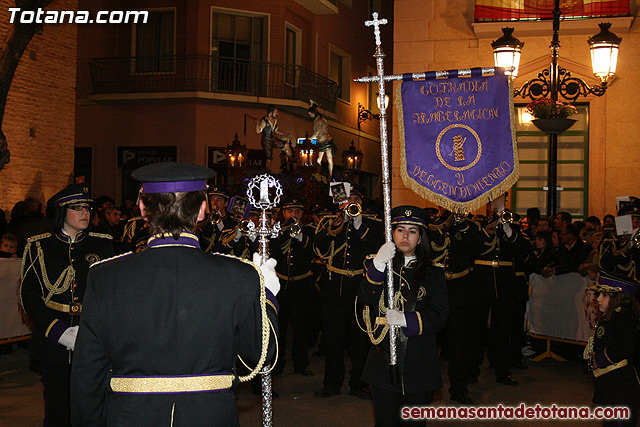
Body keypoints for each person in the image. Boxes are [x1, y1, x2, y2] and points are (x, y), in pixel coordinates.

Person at [70, 162, 280, 426]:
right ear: (203, 210)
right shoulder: (239, 275)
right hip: (210, 416)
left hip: (131, 416)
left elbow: (87, 374)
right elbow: (264, 352)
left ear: (143, 209)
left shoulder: (105, 277)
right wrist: (268, 296)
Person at [19, 184, 114, 426]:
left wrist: (96, 329)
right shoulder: (40, 246)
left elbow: (111, 294)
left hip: (92, 337)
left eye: (88, 208)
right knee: (58, 407)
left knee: (93, 406)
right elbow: (29, 296)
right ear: (62, 211)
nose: (85, 213)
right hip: (53, 340)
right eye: (78, 208)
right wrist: (57, 331)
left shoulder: (102, 244)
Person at [358, 206, 448, 426]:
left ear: (420, 238)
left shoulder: (434, 274)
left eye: (412, 231)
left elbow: (440, 315)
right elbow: (365, 299)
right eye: (400, 230)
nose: (405, 236)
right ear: (392, 234)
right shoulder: (379, 266)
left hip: (419, 364)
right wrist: (378, 265)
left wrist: (406, 320)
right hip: (383, 361)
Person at [313, 188, 384, 399]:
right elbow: (319, 248)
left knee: (359, 341)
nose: (352, 202)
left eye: (355, 199)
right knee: (333, 340)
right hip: (334, 288)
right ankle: (331, 384)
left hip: (359, 289)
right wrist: (339, 223)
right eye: (347, 200)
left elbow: (379, 247)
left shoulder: (372, 224)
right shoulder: (329, 223)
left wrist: (359, 225)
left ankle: (358, 384)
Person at [584, 272, 640, 427]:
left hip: (621, 385)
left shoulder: (624, 317)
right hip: (610, 383)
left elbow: (625, 347)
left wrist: (599, 358)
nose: (598, 298)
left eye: (604, 295)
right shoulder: (611, 316)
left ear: (619, 298)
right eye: (599, 294)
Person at [271, 197, 315, 376]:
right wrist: (283, 232)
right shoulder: (277, 232)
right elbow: (274, 253)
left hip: (302, 284)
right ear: (283, 213)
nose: (294, 215)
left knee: (301, 328)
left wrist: (300, 237)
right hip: (281, 285)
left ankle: (300, 363)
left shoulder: (310, 231)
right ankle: (277, 363)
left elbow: (315, 250)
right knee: (278, 327)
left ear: (302, 214)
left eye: (297, 212)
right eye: (290, 211)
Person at [256, 105, 292, 173]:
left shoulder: (275, 120)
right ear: (270, 113)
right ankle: (268, 173)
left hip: (273, 139)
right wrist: (258, 123)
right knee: (269, 159)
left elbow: (275, 130)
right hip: (266, 141)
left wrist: (285, 134)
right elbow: (258, 131)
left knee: (286, 145)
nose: (277, 113)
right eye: (275, 112)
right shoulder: (264, 121)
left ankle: (292, 162)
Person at [308, 103, 337, 177]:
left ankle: (328, 175)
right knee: (324, 159)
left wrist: (310, 138)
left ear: (314, 113)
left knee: (326, 159)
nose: (310, 116)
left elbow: (317, 132)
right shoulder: (319, 120)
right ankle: (320, 174)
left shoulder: (319, 121)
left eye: (311, 114)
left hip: (324, 141)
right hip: (322, 141)